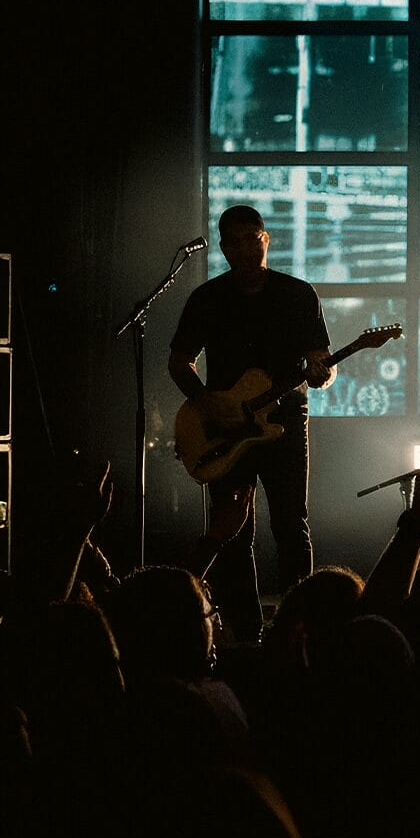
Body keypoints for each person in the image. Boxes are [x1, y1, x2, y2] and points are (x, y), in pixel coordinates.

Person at [169, 204, 332, 646]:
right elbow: (179, 361)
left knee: (291, 526)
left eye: (252, 238)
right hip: (225, 426)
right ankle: (245, 631)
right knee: (232, 531)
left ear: (266, 239)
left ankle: (300, 629)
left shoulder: (298, 295)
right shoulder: (207, 298)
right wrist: (206, 403)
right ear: (223, 247)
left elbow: (321, 362)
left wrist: (322, 372)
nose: (244, 248)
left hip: (283, 420)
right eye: (234, 241)